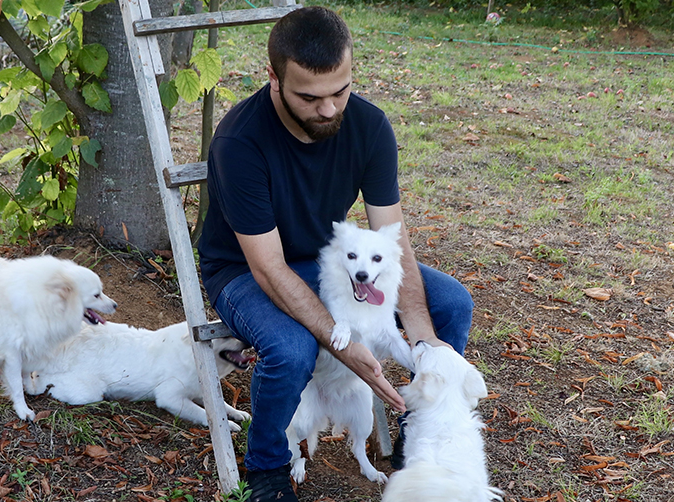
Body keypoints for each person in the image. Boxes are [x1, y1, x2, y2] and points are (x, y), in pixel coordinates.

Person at [196, 6, 472, 502]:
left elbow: (392, 241)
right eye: (310, 97)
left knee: (450, 304)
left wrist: (424, 338)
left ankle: (420, 431)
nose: (328, 110)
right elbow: (269, 266)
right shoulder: (241, 140)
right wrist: (344, 344)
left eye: (340, 91)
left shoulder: (367, 126)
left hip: (334, 262)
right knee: (292, 347)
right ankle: (267, 468)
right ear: (274, 79)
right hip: (245, 270)